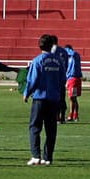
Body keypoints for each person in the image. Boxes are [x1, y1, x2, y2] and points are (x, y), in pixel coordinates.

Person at [23, 33, 64, 166]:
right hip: (53, 99)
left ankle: (36, 155)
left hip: (40, 98)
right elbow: (62, 79)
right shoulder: (58, 61)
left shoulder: (38, 60)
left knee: (35, 127)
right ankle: (48, 157)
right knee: (51, 129)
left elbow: (32, 80)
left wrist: (26, 93)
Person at [62, 41, 83, 121]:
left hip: (74, 78)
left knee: (72, 97)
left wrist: (66, 51)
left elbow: (73, 53)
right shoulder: (69, 58)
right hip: (71, 79)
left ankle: (72, 115)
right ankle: (75, 115)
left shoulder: (74, 55)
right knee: (73, 98)